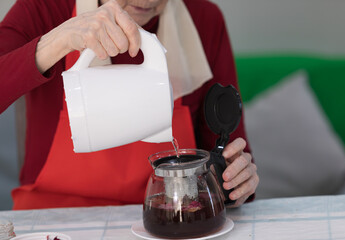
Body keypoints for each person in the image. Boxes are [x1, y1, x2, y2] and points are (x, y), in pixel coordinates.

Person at [0, 0, 259, 210]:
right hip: (51, 217)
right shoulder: (44, 8)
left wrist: (233, 183)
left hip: (166, 216)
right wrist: (59, 40)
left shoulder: (204, 20)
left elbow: (223, 155)